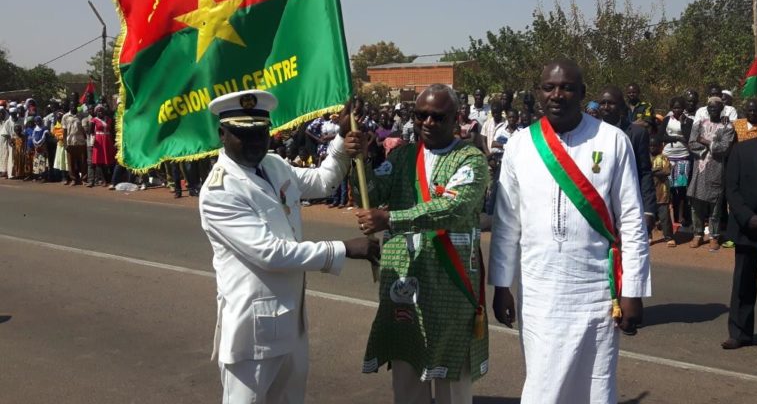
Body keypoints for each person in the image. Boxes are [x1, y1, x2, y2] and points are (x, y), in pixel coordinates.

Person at [198, 90, 379, 404]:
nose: (255, 141)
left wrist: (342, 142)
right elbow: (270, 253)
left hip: (291, 323)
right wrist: (343, 249)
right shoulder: (220, 190)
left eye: (261, 133)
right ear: (222, 134)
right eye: (243, 134)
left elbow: (323, 182)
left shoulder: (274, 165)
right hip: (253, 333)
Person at [489, 60, 651, 404]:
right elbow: (506, 222)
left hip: (595, 292)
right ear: (539, 92)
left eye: (566, 87)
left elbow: (632, 220)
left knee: (595, 384)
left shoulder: (612, 140)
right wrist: (502, 284)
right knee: (543, 383)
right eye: (549, 87)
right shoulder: (520, 144)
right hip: (539, 290)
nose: (557, 94)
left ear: (582, 93)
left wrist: (633, 290)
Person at [349, 84, 490, 404]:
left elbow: (453, 208)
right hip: (404, 282)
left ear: (455, 118)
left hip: (449, 285)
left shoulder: (469, 159)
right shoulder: (402, 156)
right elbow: (369, 194)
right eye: (420, 115)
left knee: (451, 381)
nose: (427, 122)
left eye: (437, 117)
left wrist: (391, 219)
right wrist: (359, 161)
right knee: (407, 377)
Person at [721, 107, 757, 349]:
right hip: (748, 224)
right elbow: (732, 188)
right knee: (743, 281)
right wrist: (748, 217)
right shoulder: (741, 149)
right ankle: (740, 333)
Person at [597, 86, 657, 231]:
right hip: (598, 206)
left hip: (628, 204)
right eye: (602, 103)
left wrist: (648, 210)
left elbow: (645, 172)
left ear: (621, 106)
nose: (606, 107)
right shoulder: (590, 134)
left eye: (611, 103)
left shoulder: (637, 133)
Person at [687, 97, 735, 250]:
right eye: (710, 107)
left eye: (716, 107)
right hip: (699, 169)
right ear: (707, 109)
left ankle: (714, 236)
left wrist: (706, 141)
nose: (713, 110)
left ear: (722, 109)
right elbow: (692, 143)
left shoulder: (727, 127)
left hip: (716, 169)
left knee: (715, 205)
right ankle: (698, 234)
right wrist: (707, 148)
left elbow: (725, 147)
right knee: (696, 204)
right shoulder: (699, 124)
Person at [660, 96, 694, 228]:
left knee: (681, 188)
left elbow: (688, 137)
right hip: (668, 156)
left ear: (683, 108)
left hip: (683, 156)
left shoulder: (688, 121)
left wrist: (682, 123)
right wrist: (676, 138)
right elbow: (660, 136)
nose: (676, 110)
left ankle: (681, 216)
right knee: (670, 189)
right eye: (674, 108)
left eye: (679, 108)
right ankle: (670, 217)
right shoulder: (667, 120)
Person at [650, 136, 675, 246]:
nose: (652, 148)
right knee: (648, 217)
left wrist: (651, 171)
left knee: (665, 217)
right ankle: (648, 236)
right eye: (650, 146)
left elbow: (666, 171)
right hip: (649, 193)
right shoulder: (646, 157)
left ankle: (668, 237)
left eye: (655, 146)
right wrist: (656, 171)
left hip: (662, 193)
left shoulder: (664, 158)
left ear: (660, 147)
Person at [90, 104, 116, 187]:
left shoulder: (109, 119)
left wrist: (114, 142)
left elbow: (112, 131)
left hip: (108, 141)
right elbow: (91, 132)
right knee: (99, 161)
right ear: (96, 112)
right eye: (98, 111)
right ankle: (103, 180)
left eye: (102, 110)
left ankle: (110, 179)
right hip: (98, 141)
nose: (100, 112)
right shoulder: (94, 120)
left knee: (108, 161)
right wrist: (92, 143)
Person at [62, 102, 88, 185]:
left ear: (77, 107)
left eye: (74, 106)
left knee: (83, 162)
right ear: (69, 107)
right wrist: (65, 144)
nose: (73, 107)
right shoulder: (65, 116)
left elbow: (84, 129)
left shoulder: (81, 116)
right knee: (71, 163)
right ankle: (73, 179)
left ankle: (84, 179)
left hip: (81, 142)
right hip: (70, 142)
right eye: (71, 106)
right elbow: (64, 131)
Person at [31, 116, 50, 181]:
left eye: (39, 121)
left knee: (43, 161)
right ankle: (37, 175)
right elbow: (33, 137)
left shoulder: (45, 129)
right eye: (36, 121)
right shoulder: (35, 129)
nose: (38, 122)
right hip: (36, 148)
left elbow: (45, 138)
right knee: (36, 161)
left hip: (43, 147)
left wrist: (40, 144)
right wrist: (36, 145)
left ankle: (43, 176)